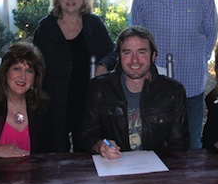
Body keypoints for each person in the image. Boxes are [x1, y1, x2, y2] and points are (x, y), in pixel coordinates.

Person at [131, 0, 218, 150]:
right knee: (153, 142)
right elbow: (136, 38)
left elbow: (211, 33)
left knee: (192, 143)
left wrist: (197, 59)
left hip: (191, 82)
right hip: (154, 84)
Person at [33, 0, 116, 153]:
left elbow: (113, 51)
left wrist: (103, 65)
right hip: (53, 103)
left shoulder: (94, 23)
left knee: (88, 154)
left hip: (88, 101)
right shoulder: (46, 28)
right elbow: (34, 63)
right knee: (55, 156)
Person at [79, 26, 189, 159]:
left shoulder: (174, 92)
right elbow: (86, 134)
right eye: (127, 53)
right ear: (119, 56)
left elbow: (179, 145)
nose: (134, 60)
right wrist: (99, 146)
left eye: (141, 52)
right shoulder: (99, 88)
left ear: (153, 56)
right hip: (112, 167)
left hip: (158, 170)